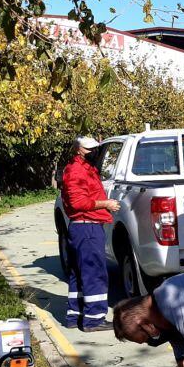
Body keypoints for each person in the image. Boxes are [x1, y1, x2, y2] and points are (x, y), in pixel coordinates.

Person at [60, 136, 120, 332]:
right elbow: (78, 202)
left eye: (95, 148)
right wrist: (106, 204)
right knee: (94, 272)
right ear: (78, 150)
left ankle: (74, 315)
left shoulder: (83, 168)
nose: (94, 152)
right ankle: (94, 319)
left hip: (83, 227)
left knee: (79, 272)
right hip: (87, 227)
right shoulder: (77, 170)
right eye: (89, 149)